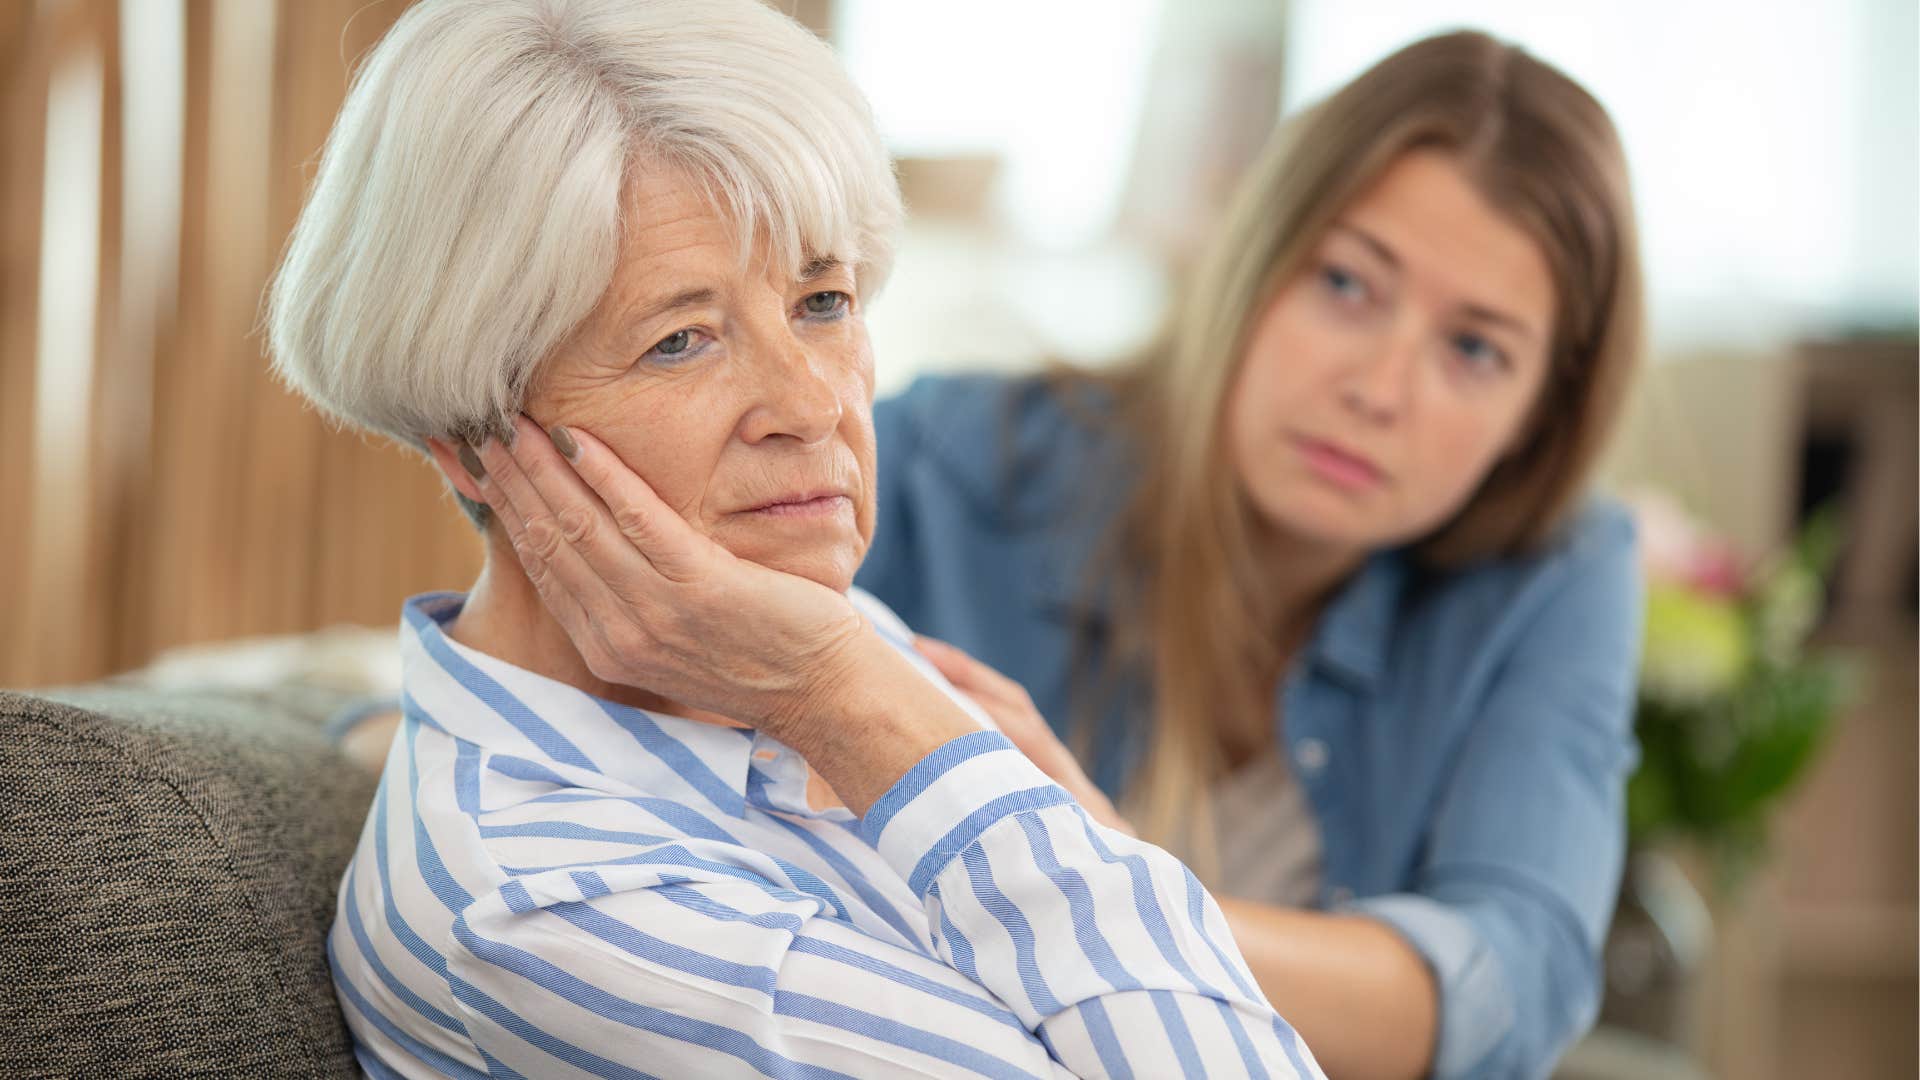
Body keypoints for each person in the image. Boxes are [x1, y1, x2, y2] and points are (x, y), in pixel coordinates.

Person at [269, 1, 1324, 1076]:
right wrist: (857, 700)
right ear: (471, 442)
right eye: (680, 340)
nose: (813, 405)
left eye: (823, 302)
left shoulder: (789, 634)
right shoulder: (554, 910)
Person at [854, 31, 1647, 1080]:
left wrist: (1104, 886)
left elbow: (1513, 981)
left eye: (1473, 349)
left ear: (1538, 414)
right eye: (1348, 284)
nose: (1380, 388)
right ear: (1253, 253)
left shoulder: (1557, 570)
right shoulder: (944, 466)